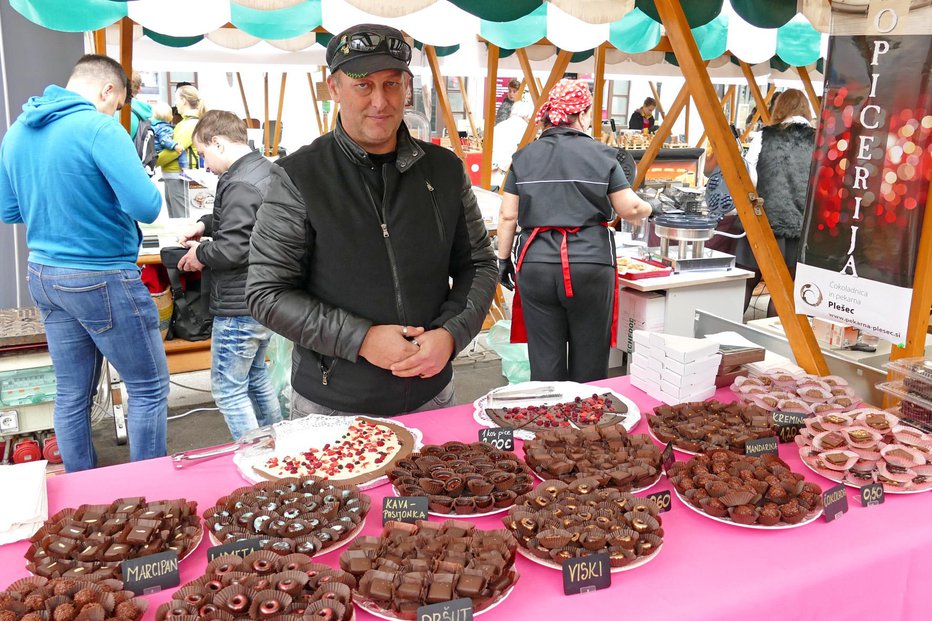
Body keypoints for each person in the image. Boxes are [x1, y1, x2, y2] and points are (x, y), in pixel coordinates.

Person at [246, 24, 496, 418]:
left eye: (392, 84)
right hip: (331, 406)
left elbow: (479, 264)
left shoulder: (444, 169)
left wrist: (450, 334)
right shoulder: (298, 176)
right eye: (364, 85)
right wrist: (360, 339)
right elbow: (267, 293)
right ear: (334, 88)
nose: (380, 101)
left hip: (432, 395)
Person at [0, 55, 169, 472]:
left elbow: (9, 210)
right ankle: (148, 499)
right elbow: (146, 206)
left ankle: (82, 494)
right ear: (107, 91)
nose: (116, 113)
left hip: (43, 273)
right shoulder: (99, 127)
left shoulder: (17, 131)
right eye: (118, 104)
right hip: (101, 274)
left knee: (72, 394)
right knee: (148, 388)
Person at [497, 80, 653, 382]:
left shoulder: (524, 157)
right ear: (581, 115)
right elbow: (630, 208)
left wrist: (504, 261)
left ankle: (548, 422)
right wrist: (651, 207)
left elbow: (507, 215)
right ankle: (586, 424)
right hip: (590, 266)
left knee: (545, 359)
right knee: (590, 359)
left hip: (536, 264)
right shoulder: (603, 155)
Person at [175, 111, 282, 440]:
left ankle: (257, 459)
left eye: (203, 153)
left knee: (229, 390)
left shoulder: (238, 182)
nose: (205, 164)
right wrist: (206, 224)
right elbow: (246, 222)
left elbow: (233, 248)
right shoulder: (264, 169)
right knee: (256, 380)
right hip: (264, 298)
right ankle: (281, 448)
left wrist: (200, 254)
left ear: (217, 143)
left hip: (239, 302)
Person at [737, 88, 815, 316]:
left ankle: (723, 334)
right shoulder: (818, 141)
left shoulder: (764, 135)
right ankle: (777, 343)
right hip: (797, 227)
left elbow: (749, 176)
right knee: (784, 289)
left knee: (746, 282)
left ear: (779, 108)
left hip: (761, 221)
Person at [157, 85, 204, 218]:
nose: (175, 103)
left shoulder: (190, 124)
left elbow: (175, 150)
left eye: (177, 98)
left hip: (178, 175)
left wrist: (153, 161)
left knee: (180, 219)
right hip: (174, 175)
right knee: (177, 217)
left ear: (183, 100)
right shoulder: (186, 122)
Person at [490, 98, 533, 190]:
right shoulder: (526, 129)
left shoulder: (499, 126)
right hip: (514, 175)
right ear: (526, 115)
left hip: (495, 173)